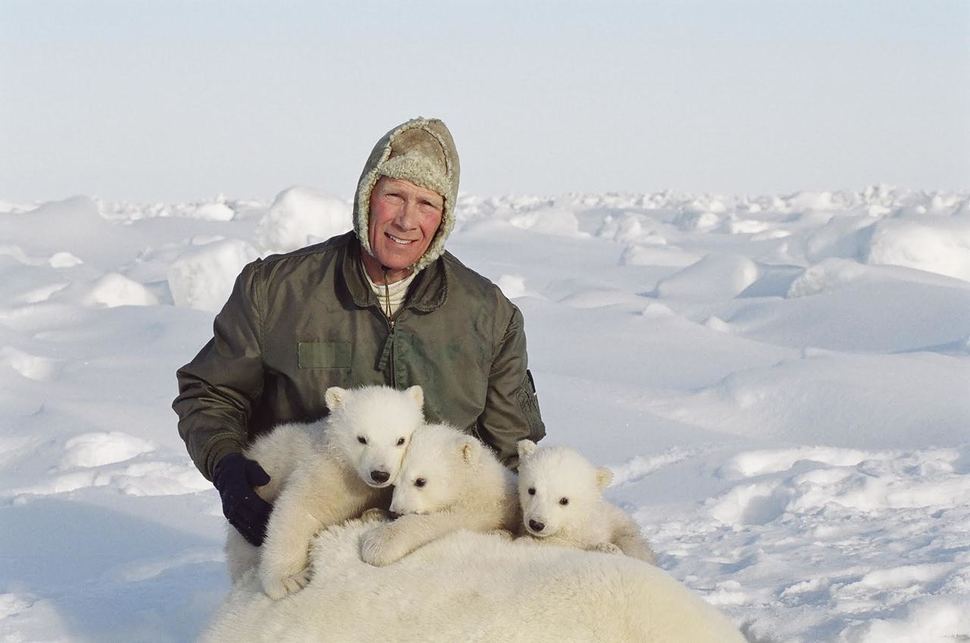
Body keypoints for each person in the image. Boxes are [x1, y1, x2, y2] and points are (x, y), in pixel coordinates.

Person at [173, 117, 545, 547]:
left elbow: (511, 454)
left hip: (428, 541)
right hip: (305, 525)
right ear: (367, 198)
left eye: (427, 203)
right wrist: (227, 466)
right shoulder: (275, 291)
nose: (407, 220)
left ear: (443, 219)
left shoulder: (489, 316)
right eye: (395, 196)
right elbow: (210, 392)